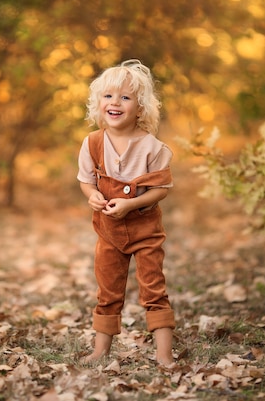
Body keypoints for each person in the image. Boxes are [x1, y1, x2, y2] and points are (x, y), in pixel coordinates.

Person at [77, 59, 175, 367]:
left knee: (153, 289)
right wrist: (93, 196)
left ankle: (164, 354)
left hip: (145, 231)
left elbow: (162, 188)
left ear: (140, 107)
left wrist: (131, 204)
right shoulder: (92, 143)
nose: (114, 103)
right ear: (98, 103)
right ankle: (101, 350)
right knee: (108, 290)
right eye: (108, 96)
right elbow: (86, 181)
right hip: (109, 232)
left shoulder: (152, 147)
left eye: (125, 97)